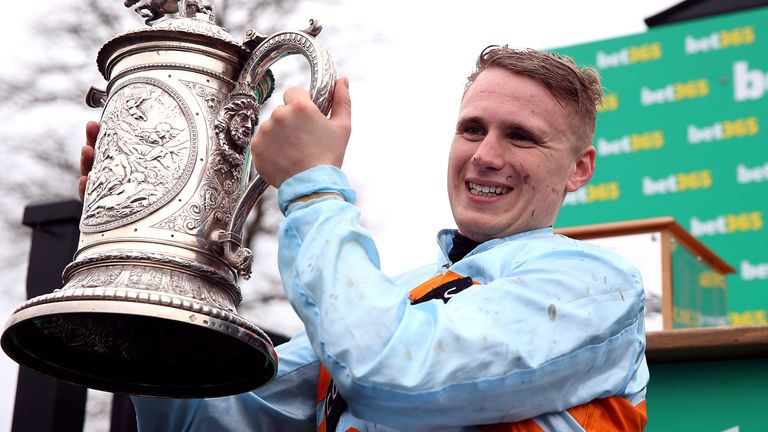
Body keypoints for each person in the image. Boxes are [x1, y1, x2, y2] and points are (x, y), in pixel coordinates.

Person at [80, 46, 648, 431]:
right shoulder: (391, 299)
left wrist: (311, 185)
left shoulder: (595, 285)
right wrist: (153, 241)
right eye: (472, 129)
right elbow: (203, 419)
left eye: (521, 137)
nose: (485, 155)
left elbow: (393, 374)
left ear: (579, 169)